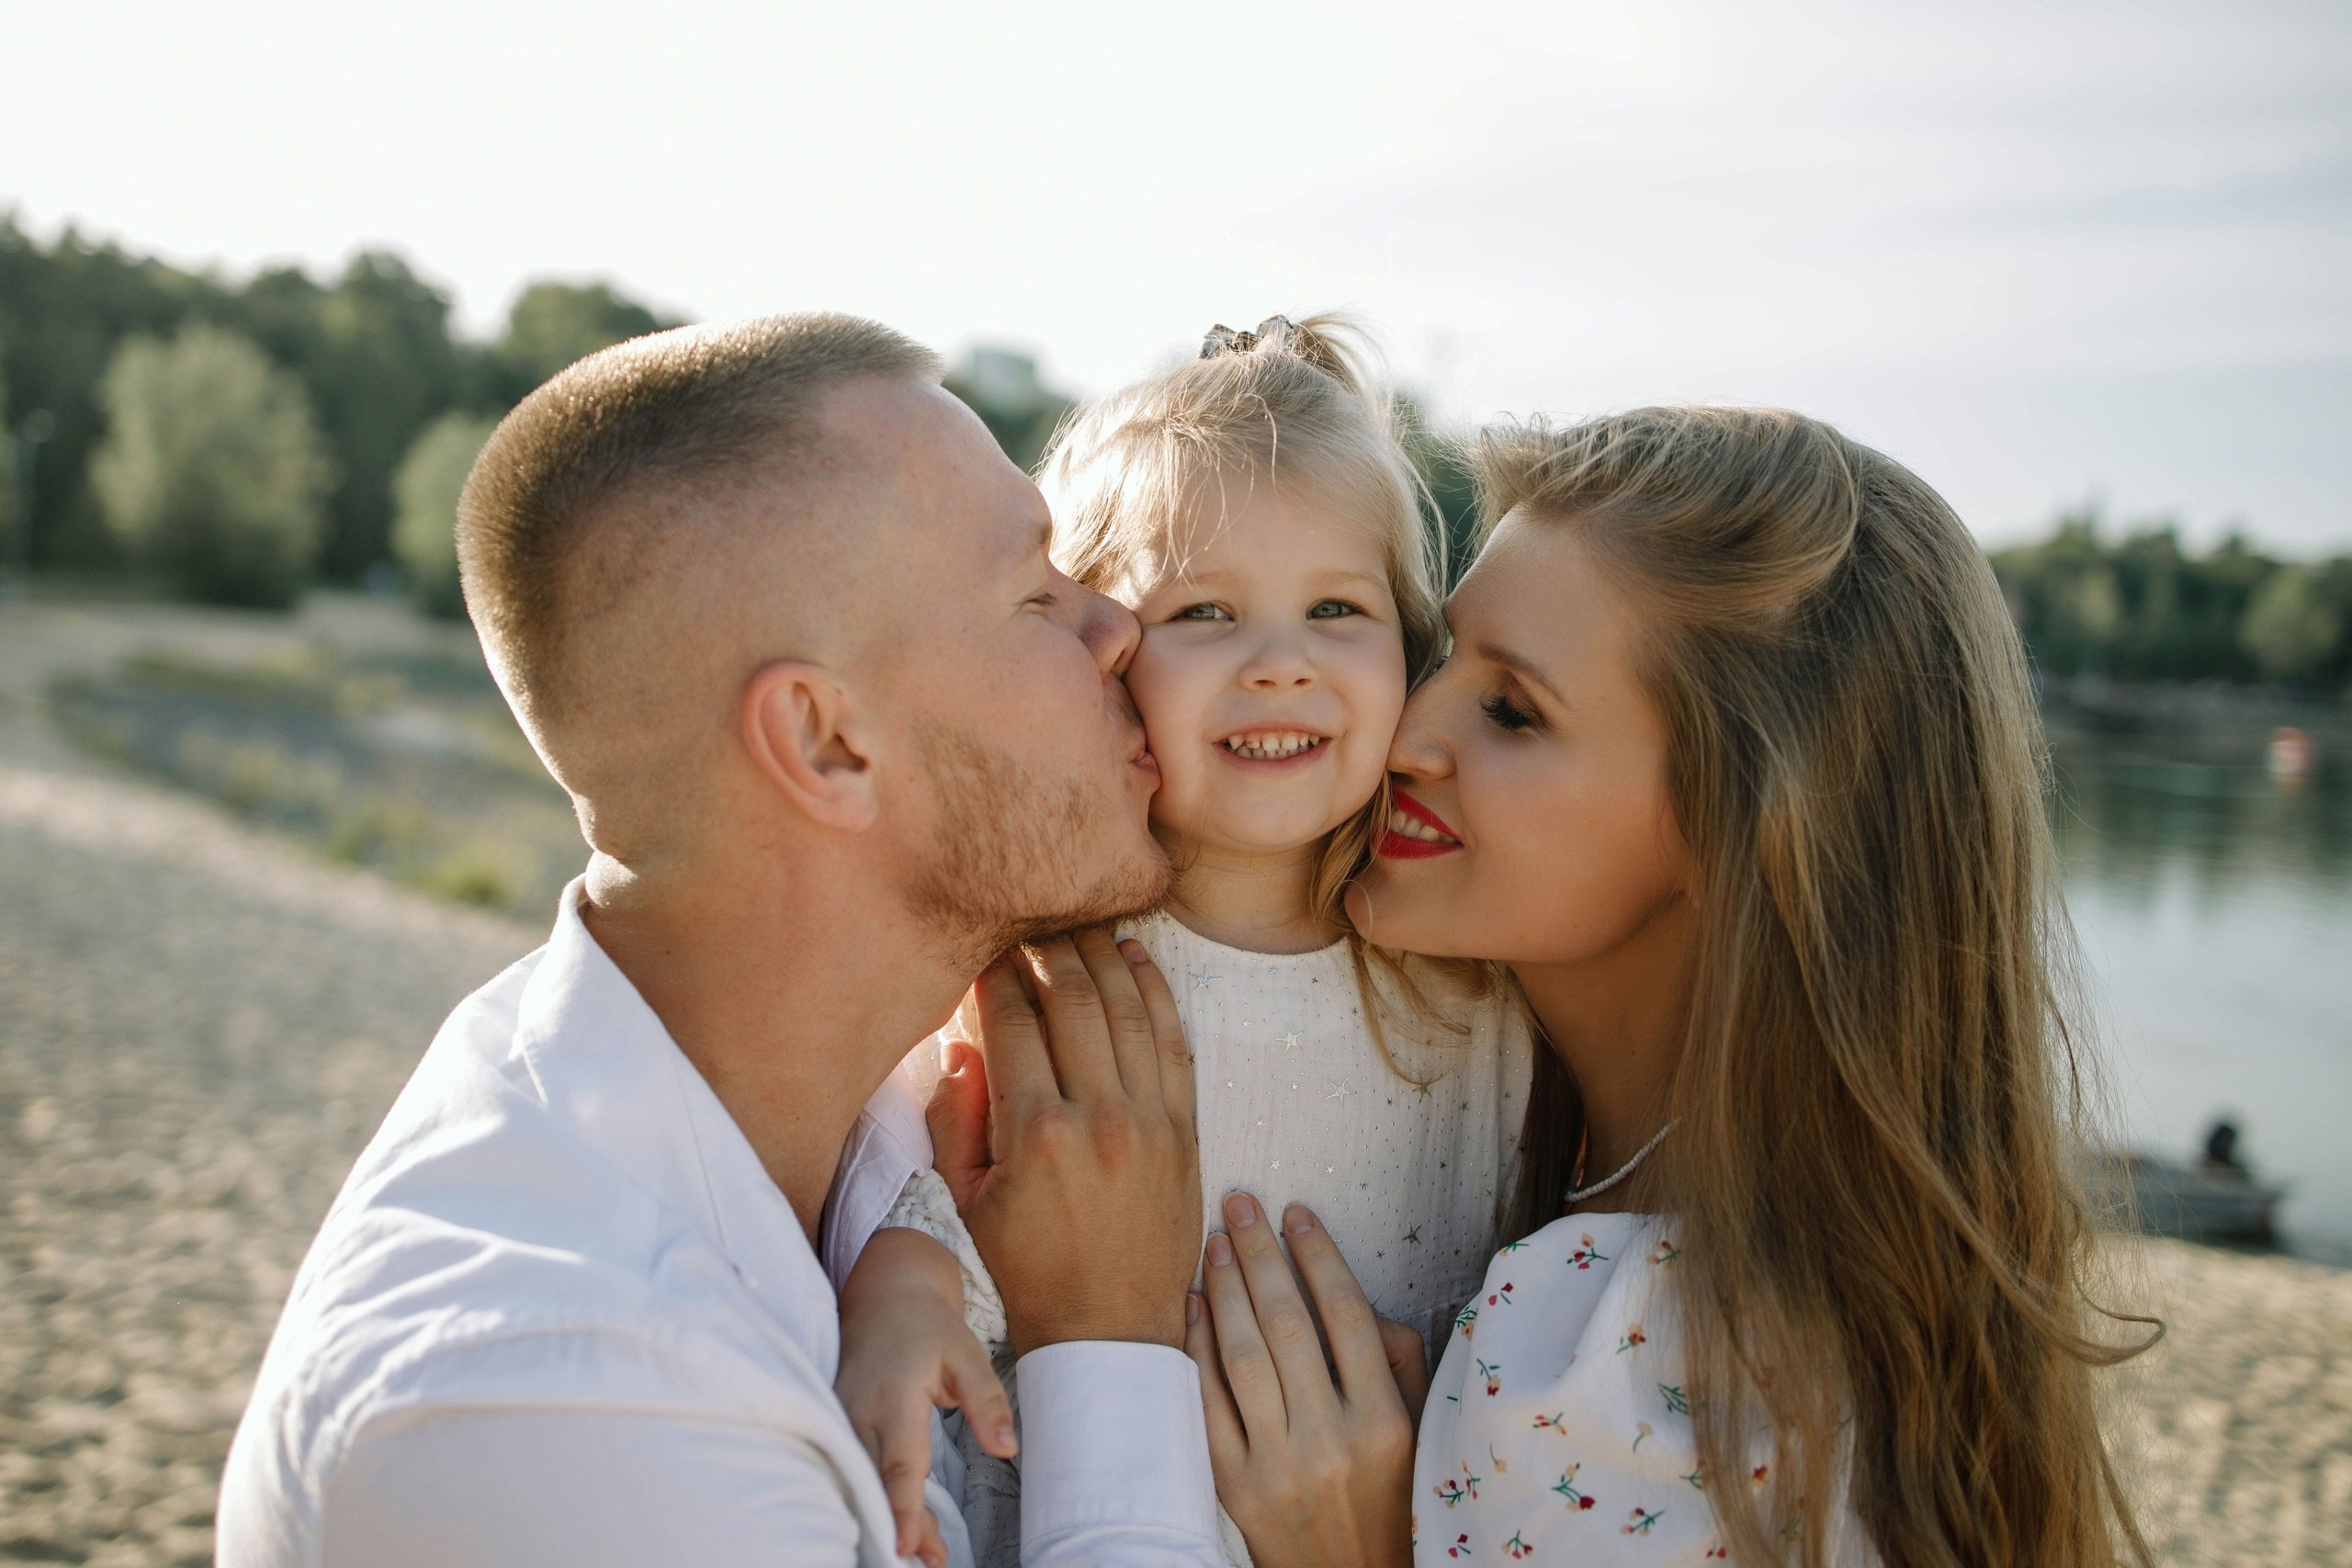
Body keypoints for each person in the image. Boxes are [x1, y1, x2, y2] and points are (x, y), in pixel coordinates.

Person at [215, 314, 1233, 1567]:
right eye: (1037, 595)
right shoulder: (554, 1416)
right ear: (825, 743)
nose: (1119, 629)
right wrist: (1110, 1347)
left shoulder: (835, 1122)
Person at [1184, 407, 2153, 1566]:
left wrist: (1358, 1556)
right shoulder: (1735, 1216)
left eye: (1511, 712)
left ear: (1740, 825)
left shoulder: (1650, 1378)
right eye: (1440, 654)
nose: (1404, 734)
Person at [832, 315, 1532, 1567]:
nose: (1281, 663)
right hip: (1069, 1508)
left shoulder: (1478, 990)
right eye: (1205, 610)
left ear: (1411, 645)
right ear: (1098, 652)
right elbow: (932, 1182)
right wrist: (901, 1292)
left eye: (1337, 607)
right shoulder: (1047, 963)